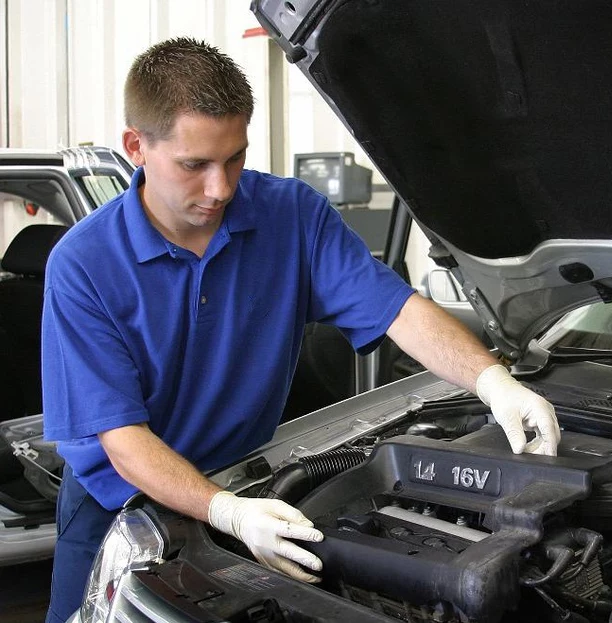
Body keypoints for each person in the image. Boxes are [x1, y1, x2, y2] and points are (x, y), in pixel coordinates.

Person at [41, 37, 560, 623]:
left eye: (235, 157)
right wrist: (228, 513)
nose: (222, 188)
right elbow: (121, 439)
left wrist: (493, 382)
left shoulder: (291, 216)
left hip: (245, 478)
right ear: (136, 146)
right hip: (120, 504)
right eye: (194, 165)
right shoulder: (84, 265)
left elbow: (397, 310)